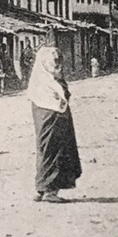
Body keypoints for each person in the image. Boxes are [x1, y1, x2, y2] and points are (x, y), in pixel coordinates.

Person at [28, 44, 82, 202]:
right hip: (53, 115)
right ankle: (50, 191)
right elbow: (60, 95)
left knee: (45, 149)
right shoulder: (48, 81)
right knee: (54, 149)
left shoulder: (40, 79)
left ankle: (41, 188)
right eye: (55, 62)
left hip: (48, 114)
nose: (57, 66)